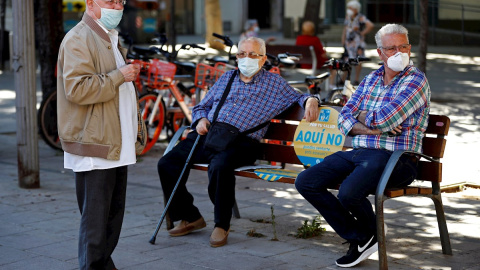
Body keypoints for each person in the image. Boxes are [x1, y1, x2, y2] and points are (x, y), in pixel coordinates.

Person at [157, 37, 320, 248]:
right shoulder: (227, 78)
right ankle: (190, 216)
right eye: (242, 54)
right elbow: (201, 107)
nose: (246, 58)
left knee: (219, 166)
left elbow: (300, 97)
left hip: (242, 142)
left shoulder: (274, 84)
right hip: (211, 134)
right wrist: (200, 120)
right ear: (236, 57)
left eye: (253, 54)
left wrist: (312, 100)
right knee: (167, 164)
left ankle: (221, 224)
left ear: (263, 59)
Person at [295, 24, 430, 268]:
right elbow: (344, 118)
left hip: (396, 158)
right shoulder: (371, 78)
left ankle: (366, 238)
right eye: (391, 48)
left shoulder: (416, 80)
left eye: (403, 47)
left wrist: (364, 118)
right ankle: (363, 236)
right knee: (306, 181)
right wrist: (371, 125)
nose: (399, 52)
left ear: (409, 48)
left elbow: (385, 119)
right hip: (360, 153)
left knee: (349, 193)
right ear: (380, 53)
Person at [56, 0, 146, 269]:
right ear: (90, 3)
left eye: (120, 1)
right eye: (110, 1)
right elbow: (77, 89)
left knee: (112, 218)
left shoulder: (108, 37)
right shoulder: (78, 38)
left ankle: (103, 265)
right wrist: (119, 76)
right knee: (95, 223)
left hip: (115, 143)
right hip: (95, 144)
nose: (117, 6)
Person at [342, 0, 374, 85]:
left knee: (358, 60)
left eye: (350, 8)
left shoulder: (360, 17)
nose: (348, 9)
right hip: (349, 43)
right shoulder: (348, 17)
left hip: (357, 43)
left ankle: (356, 79)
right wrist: (343, 38)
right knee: (346, 60)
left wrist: (362, 33)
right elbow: (345, 28)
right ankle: (343, 79)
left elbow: (370, 25)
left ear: (356, 9)